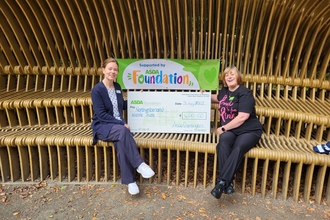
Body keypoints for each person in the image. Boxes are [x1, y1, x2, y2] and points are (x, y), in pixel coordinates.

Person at [91, 58, 155, 195]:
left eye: (115, 69)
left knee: (121, 142)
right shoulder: (97, 90)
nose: (112, 72)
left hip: (118, 128)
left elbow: (121, 105)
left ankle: (130, 181)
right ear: (103, 70)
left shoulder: (118, 87)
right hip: (103, 126)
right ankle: (139, 165)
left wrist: (138, 96)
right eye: (110, 68)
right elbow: (101, 114)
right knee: (123, 131)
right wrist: (121, 123)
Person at [210, 66, 262, 199]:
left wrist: (223, 128)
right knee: (223, 142)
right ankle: (228, 184)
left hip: (248, 129)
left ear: (238, 77)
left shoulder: (245, 93)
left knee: (238, 147)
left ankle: (221, 182)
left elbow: (242, 117)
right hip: (232, 129)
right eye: (226, 75)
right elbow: (218, 98)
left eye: (232, 74)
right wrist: (203, 95)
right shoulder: (225, 91)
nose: (229, 77)